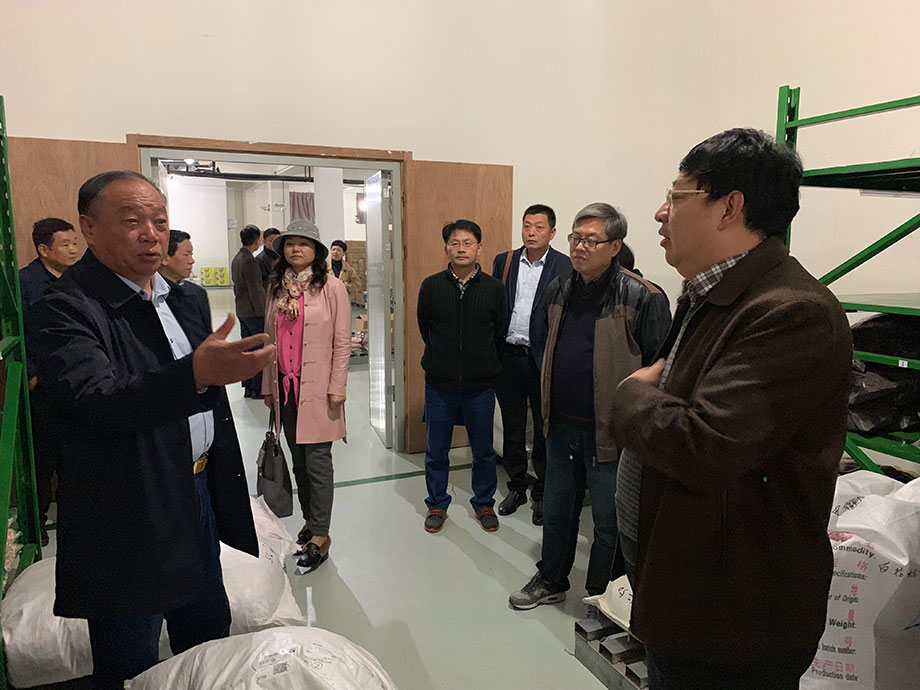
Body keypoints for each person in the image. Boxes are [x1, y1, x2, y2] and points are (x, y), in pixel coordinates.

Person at [611, 129, 852, 690]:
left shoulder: (791, 312)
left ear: (729, 207)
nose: (660, 213)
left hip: (734, 620)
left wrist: (628, 396)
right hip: (691, 591)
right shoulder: (711, 294)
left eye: (675, 197)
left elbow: (706, 446)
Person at [31, 170, 274, 689]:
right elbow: (95, 403)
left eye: (160, 222)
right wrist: (195, 375)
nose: (151, 234)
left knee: (207, 635)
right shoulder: (65, 307)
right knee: (131, 654)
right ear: (89, 228)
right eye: (132, 221)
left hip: (195, 490)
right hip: (126, 506)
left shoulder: (185, 299)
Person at [509, 202, 670, 610]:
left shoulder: (643, 295)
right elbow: (542, 342)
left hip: (611, 434)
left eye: (590, 240)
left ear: (615, 246)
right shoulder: (559, 287)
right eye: (575, 238)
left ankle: (602, 597)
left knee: (609, 524)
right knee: (557, 511)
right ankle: (551, 578)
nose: (579, 247)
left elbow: (661, 368)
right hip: (561, 426)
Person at [261, 220, 350, 572]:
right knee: (298, 461)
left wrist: (338, 386)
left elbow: (342, 340)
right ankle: (311, 521)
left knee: (318, 463)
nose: (296, 249)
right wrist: (267, 386)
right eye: (290, 243)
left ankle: (322, 535)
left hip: (319, 390)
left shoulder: (331, 287)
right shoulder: (277, 288)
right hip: (285, 388)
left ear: (316, 250)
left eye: (303, 243)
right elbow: (268, 340)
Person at [417, 220, 508, 534]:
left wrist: (482, 362)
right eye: (455, 243)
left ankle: (483, 503)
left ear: (479, 248)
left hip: (480, 385)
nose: (461, 249)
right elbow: (425, 328)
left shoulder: (494, 289)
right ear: (446, 248)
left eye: (468, 243)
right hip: (439, 384)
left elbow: (500, 333)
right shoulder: (431, 286)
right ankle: (436, 504)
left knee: (483, 450)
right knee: (436, 450)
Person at [491, 204, 571, 525]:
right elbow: (495, 305)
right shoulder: (505, 261)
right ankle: (516, 486)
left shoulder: (564, 266)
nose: (531, 232)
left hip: (543, 360)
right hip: (509, 358)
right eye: (527, 226)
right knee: (512, 426)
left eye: (539, 227)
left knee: (543, 427)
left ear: (552, 232)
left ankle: (542, 491)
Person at [19, 217, 81, 546]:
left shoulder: (79, 279)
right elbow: (17, 332)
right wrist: (30, 372)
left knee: (75, 455)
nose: (73, 250)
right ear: (44, 250)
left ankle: (76, 518)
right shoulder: (25, 283)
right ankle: (38, 521)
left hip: (75, 379)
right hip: (41, 385)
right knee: (41, 459)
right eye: (65, 244)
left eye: (75, 243)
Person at [231, 223, 266, 398]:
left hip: (242, 309)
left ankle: (248, 387)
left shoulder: (237, 258)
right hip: (253, 311)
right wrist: (263, 311)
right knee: (258, 349)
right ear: (256, 240)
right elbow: (255, 289)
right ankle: (257, 388)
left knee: (247, 348)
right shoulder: (250, 260)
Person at [328, 239, 360, 303]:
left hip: (343, 300)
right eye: (333, 249)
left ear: (344, 253)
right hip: (327, 300)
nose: (335, 252)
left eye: (338, 250)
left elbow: (357, 285)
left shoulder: (349, 269)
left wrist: (346, 285)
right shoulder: (323, 267)